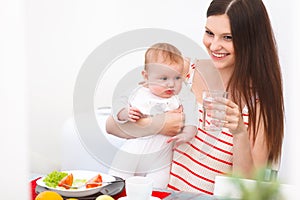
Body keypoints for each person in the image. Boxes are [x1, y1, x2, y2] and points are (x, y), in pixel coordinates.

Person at [106, 0, 284, 195]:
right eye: (209, 33)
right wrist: (157, 124)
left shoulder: (258, 105)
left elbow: (249, 189)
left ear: (251, 40)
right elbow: (112, 126)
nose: (214, 45)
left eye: (227, 37)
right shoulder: (182, 71)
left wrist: (239, 134)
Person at [107, 43, 198, 188]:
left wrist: (188, 132)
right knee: (118, 182)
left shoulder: (180, 96)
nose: (171, 84)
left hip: (161, 157)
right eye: (163, 78)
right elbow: (116, 107)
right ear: (146, 76)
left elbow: (192, 114)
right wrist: (125, 113)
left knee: (158, 186)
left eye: (177, 78)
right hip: (133, 151)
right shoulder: (138, 92)